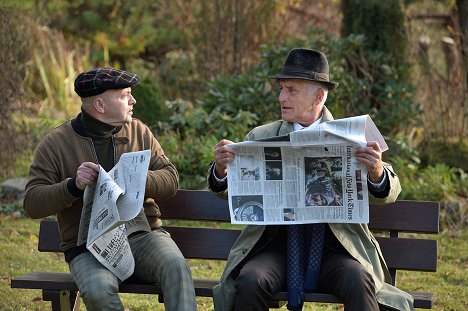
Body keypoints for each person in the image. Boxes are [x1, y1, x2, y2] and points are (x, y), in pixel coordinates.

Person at [207, 49, 413, 311]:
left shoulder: (351, 135)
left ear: (318, 96)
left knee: (358, 279)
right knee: (250, 280)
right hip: (275, 247)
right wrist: (222, 170)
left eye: (291, 90)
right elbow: (226, 190)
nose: (281, 97)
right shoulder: (260, 135)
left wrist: (376, 172)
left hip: (336, 248)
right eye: (281, 89)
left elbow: (391, 189)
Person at [23, 67, 197, 311]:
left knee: (176, 267)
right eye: (125, 94)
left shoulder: (140, 131)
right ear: (100, 105)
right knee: (98, 292)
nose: (133, 100)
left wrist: (138, 178)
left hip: (142, 235)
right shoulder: (56, 143)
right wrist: (73, 185)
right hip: (88, 247)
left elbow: (171, 180)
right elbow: (32, 203)